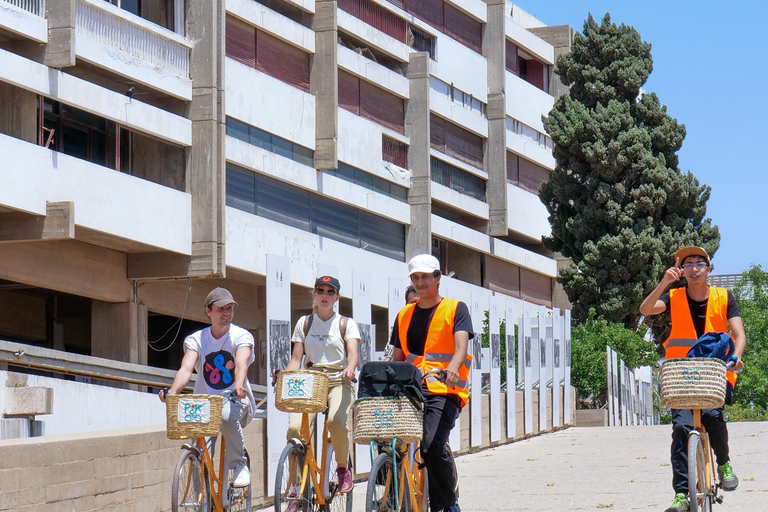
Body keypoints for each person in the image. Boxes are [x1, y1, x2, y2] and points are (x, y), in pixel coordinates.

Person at [640, 246, 746, 512]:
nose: (695, 268)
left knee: (713, 416)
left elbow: (739, 334)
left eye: (700, 263)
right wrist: (665, 280)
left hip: (714, 373)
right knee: (680, 430)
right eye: (688, 264)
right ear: (682, 271)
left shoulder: (724, 296)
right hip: (682, 377)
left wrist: (735, 356)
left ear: (709, 269)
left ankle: (723, 463)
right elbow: (646, 308)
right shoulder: (673, 296)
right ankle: (681, 495)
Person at [390, 254, 473, 512]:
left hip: (444, 389)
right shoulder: (404, 314)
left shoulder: (455, 309)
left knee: (432, 446)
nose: (420, 282)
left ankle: (447, 503)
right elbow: (397, 357)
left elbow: (461, 347)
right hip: (411, 389)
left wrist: (451, 368)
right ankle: (390, 499)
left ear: (438, 278)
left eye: (426, 276)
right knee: (388, 441)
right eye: (415, 277)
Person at [160, 287, 256, 488]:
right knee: (199, 454)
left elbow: (241, 363)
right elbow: (186, 368)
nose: (227, 313)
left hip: (234, 399)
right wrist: (172, 392)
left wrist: (238, 385)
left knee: (226, 415)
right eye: (221, 308)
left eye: (230, 308)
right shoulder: (197, 339)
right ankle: (201, 503)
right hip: (206, 404)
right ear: (208, 311)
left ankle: (239, 464)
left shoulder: (241, 336)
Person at [284, 276, 361, 495]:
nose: (325, 296)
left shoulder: (346, 323)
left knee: (336, 421)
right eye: (320, 291)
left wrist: (350, 368)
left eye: (330, 292)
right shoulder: (304, 322)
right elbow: (296, 359)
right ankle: (297, 486)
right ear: (314, 295)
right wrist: (286, 374)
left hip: (339, 379)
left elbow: (353, 354)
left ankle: (342, 467)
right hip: (311, 380)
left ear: (337, 297)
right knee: (295, 429)